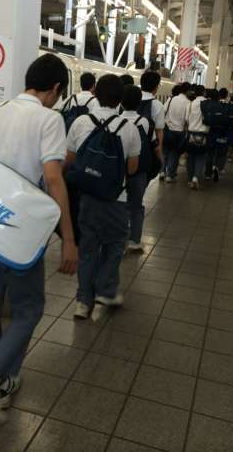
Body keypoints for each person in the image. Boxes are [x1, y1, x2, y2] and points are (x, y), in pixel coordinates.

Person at [0, 54, 79, 423]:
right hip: (20, 230)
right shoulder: (49, 119)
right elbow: (54, 178)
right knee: (29, 308)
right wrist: (69, 238)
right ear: (55, 88)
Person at [65, 75, 140, 320]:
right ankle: (106, 290)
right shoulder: (129, 128)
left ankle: (82, 302)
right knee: (115, 244)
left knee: (88, 249)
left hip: (87, 198)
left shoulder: (81, 122)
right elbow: (131, 169)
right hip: (116, 199)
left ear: (95, 94)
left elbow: (70, 161)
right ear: (120, 99)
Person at [122, 85, 153, 250]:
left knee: (120, 204)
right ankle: (134, 240)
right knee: (136, 205)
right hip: (139, 170)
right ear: (139, 102)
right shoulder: (144, 122)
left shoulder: (117, 120)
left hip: (120, 169)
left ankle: (121, 237)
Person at [162, 81, 190, 182]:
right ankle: (170, 175)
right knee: (174, 153)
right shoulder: (187, 102)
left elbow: (164, 110)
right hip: (179, 131)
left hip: (168, 129)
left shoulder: (172, 99)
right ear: (188, 91)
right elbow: (187, 119)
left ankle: (162, 171)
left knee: (165, 151)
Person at [139, 70, 165, 167]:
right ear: (156, 87)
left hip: (127, 145)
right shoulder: (157, 105)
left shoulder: (131, 99)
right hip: (147, 148)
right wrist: (159, 154)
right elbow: (159, 131)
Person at [185, 85, 209, 190]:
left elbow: (186, 119)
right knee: (201, 157)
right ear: (204, 92)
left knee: (191, 156)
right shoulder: (207, 103)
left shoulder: (190, 104)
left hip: (191, 134)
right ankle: (196, 177)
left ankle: (190, 179)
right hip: (203, 134)